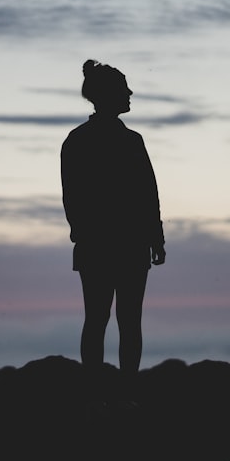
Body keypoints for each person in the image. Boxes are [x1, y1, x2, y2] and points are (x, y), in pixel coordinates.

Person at [61, 59, 166, 400]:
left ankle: (101, 393)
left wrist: (85, 233)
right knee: (122, 320)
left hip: (104, 245)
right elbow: (146, 195)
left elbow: (73, 198)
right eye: (124, 88)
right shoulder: (127, 141)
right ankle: (124, 393)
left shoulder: (79, 140)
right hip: (121, 244)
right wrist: (155, 238)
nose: (130, 93)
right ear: (108, 95)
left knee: (101, 319)